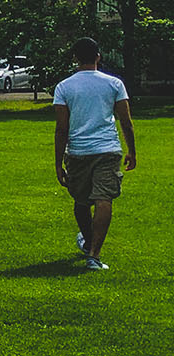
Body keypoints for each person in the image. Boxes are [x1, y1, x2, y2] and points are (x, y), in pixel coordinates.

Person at [53, 37, 137, 271]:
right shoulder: (114, 84)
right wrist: (132, 151)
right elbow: (126, 122)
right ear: (98, 56)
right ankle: (94, 254)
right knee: (104, 198)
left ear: (75, 59)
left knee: (81, 201)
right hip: (107, 149)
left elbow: (61, 129)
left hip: (78, 150)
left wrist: (58, 163)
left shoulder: (64, 87)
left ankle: (90, 244)